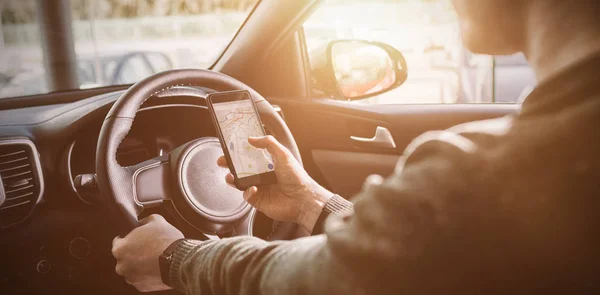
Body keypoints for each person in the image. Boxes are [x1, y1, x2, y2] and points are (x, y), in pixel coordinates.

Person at [111, 0, 600, 293]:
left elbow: (322, 283)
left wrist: (177, 259)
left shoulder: (477, 177)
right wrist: (311, 202)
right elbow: (420, 262)